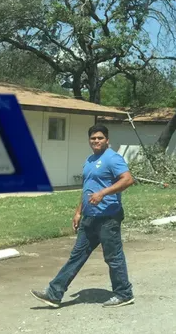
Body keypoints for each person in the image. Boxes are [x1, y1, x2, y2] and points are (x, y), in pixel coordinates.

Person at [31, 124, 136, 308]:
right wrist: (78, 211)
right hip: (89, 217)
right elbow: (87, 188)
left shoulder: (112, 158)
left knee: (113, 257)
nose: (96, 141)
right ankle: (54, 294)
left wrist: (103, 193)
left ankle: (124, 294)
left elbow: (127, 179)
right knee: (76, 256)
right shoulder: (89, 160)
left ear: (107, 140)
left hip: (108, 217)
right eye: (93, 138)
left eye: (100, 138)